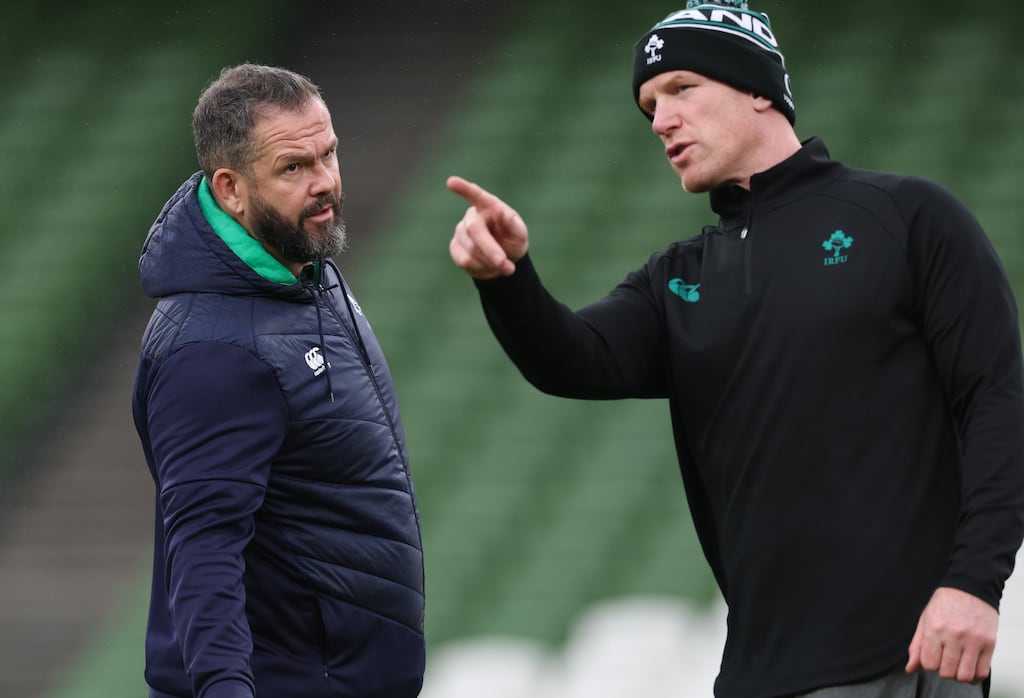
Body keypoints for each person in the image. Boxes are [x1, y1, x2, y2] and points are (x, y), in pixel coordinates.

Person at [446, 2, 1024, 696]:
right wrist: (506, 278)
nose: (660, 121)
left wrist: (974, 584)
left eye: (681, 89)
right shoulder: (678, 276)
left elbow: (998, 401)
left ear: (758, 89)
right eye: (649, 106)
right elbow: (572, 358)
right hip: (757, 672)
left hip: (905, 655)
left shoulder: (909, 217)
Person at [132, 64, 425, 698]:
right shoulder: (214, 348)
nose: (325, 183)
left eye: (329, 154)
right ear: (230, 189)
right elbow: (204, 551)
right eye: (294, 167)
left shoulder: (304, 275)